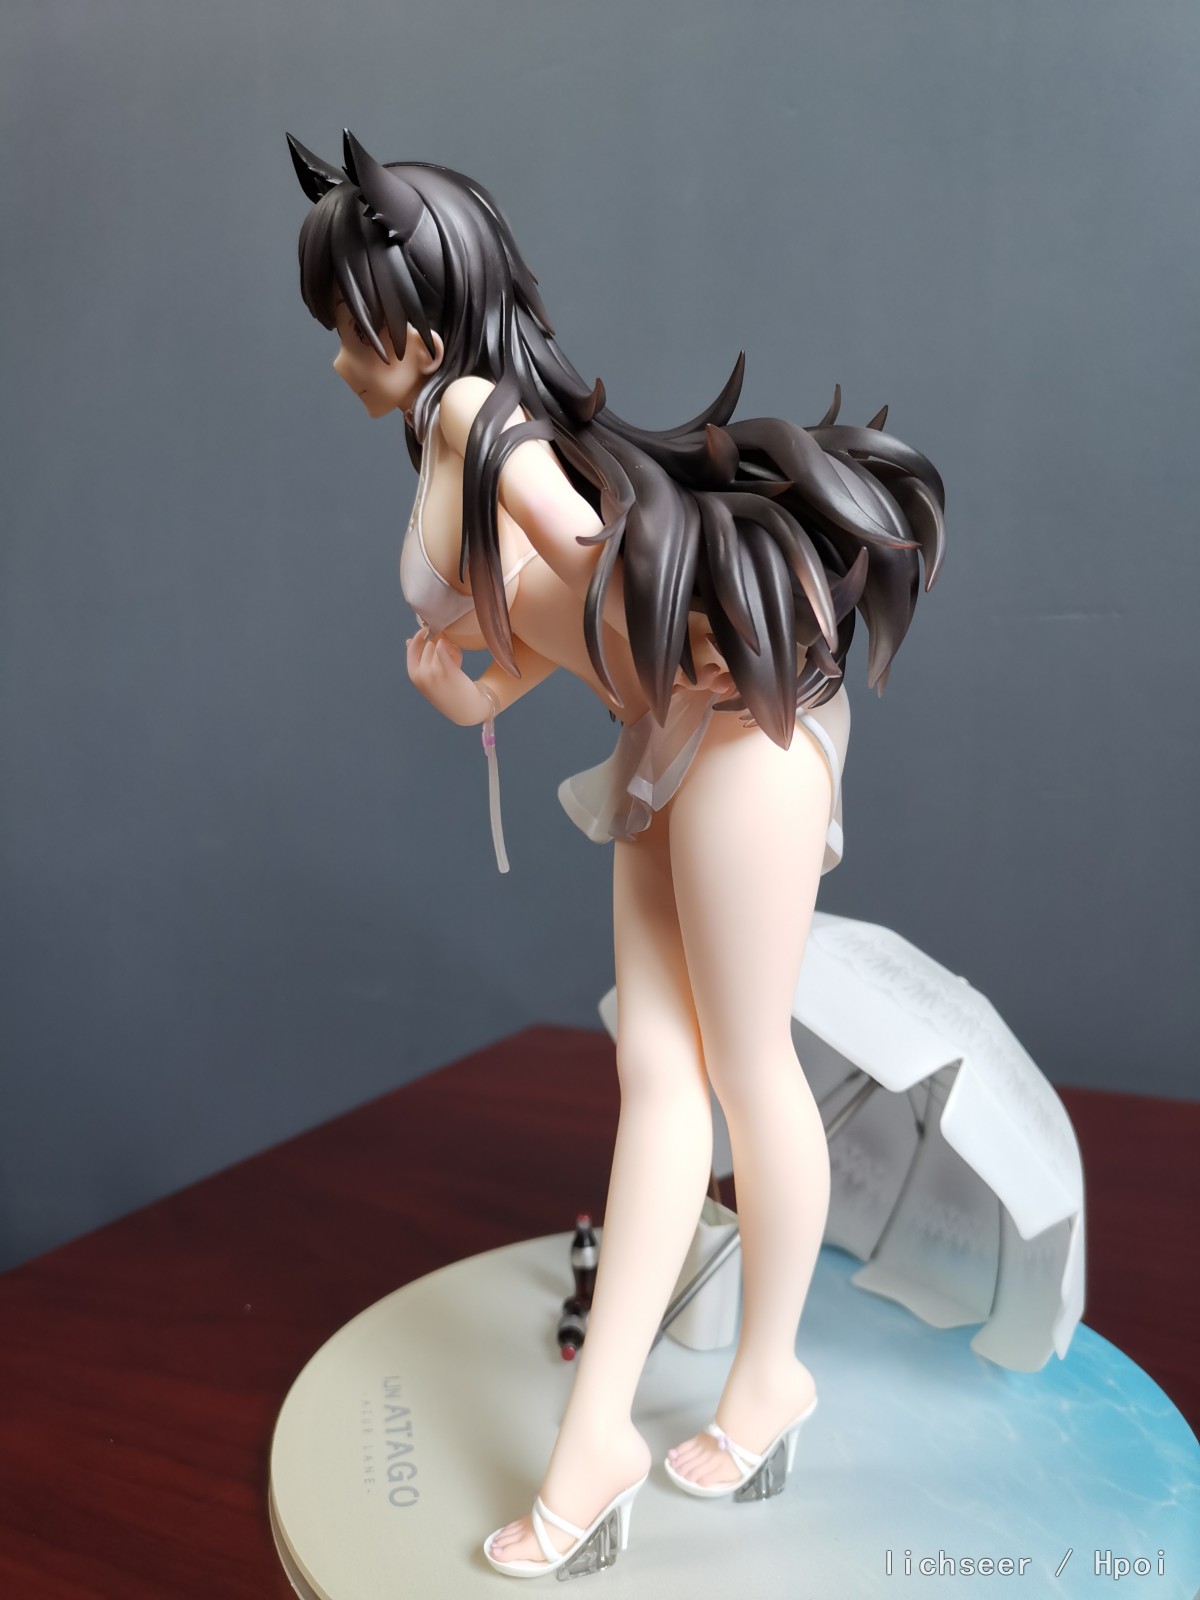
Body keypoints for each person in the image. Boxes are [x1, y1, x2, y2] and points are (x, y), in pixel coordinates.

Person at [288, 130, 944, 1579]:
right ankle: (602, 1443)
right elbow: (559, 615)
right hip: (665, 736)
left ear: (417, 328)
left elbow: (598, 561)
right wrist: (477, 689)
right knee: (662, 1077)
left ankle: (764, 1381)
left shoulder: (478, 415)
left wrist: (661, 618)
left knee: (744, 1068)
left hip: (741, 741)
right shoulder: (463, 423)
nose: (337, 360)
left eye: (348, 329)